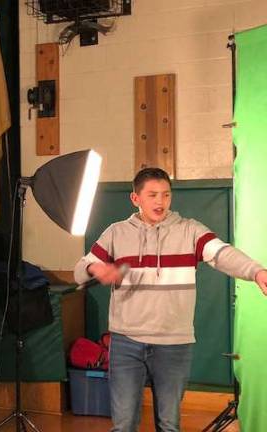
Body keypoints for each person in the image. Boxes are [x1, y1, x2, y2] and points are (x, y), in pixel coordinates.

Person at [74, 167, 267, 432]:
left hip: (174, 344)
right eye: (152, 195)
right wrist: (95, 269)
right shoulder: (115, 233)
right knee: (123, 425)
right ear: (135, 199)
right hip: (126, 342)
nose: (160, 201)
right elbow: (80, 269)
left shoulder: (190, 231)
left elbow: (223, 253)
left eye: (166, 195)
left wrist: (256, 271)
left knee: (169, 425)